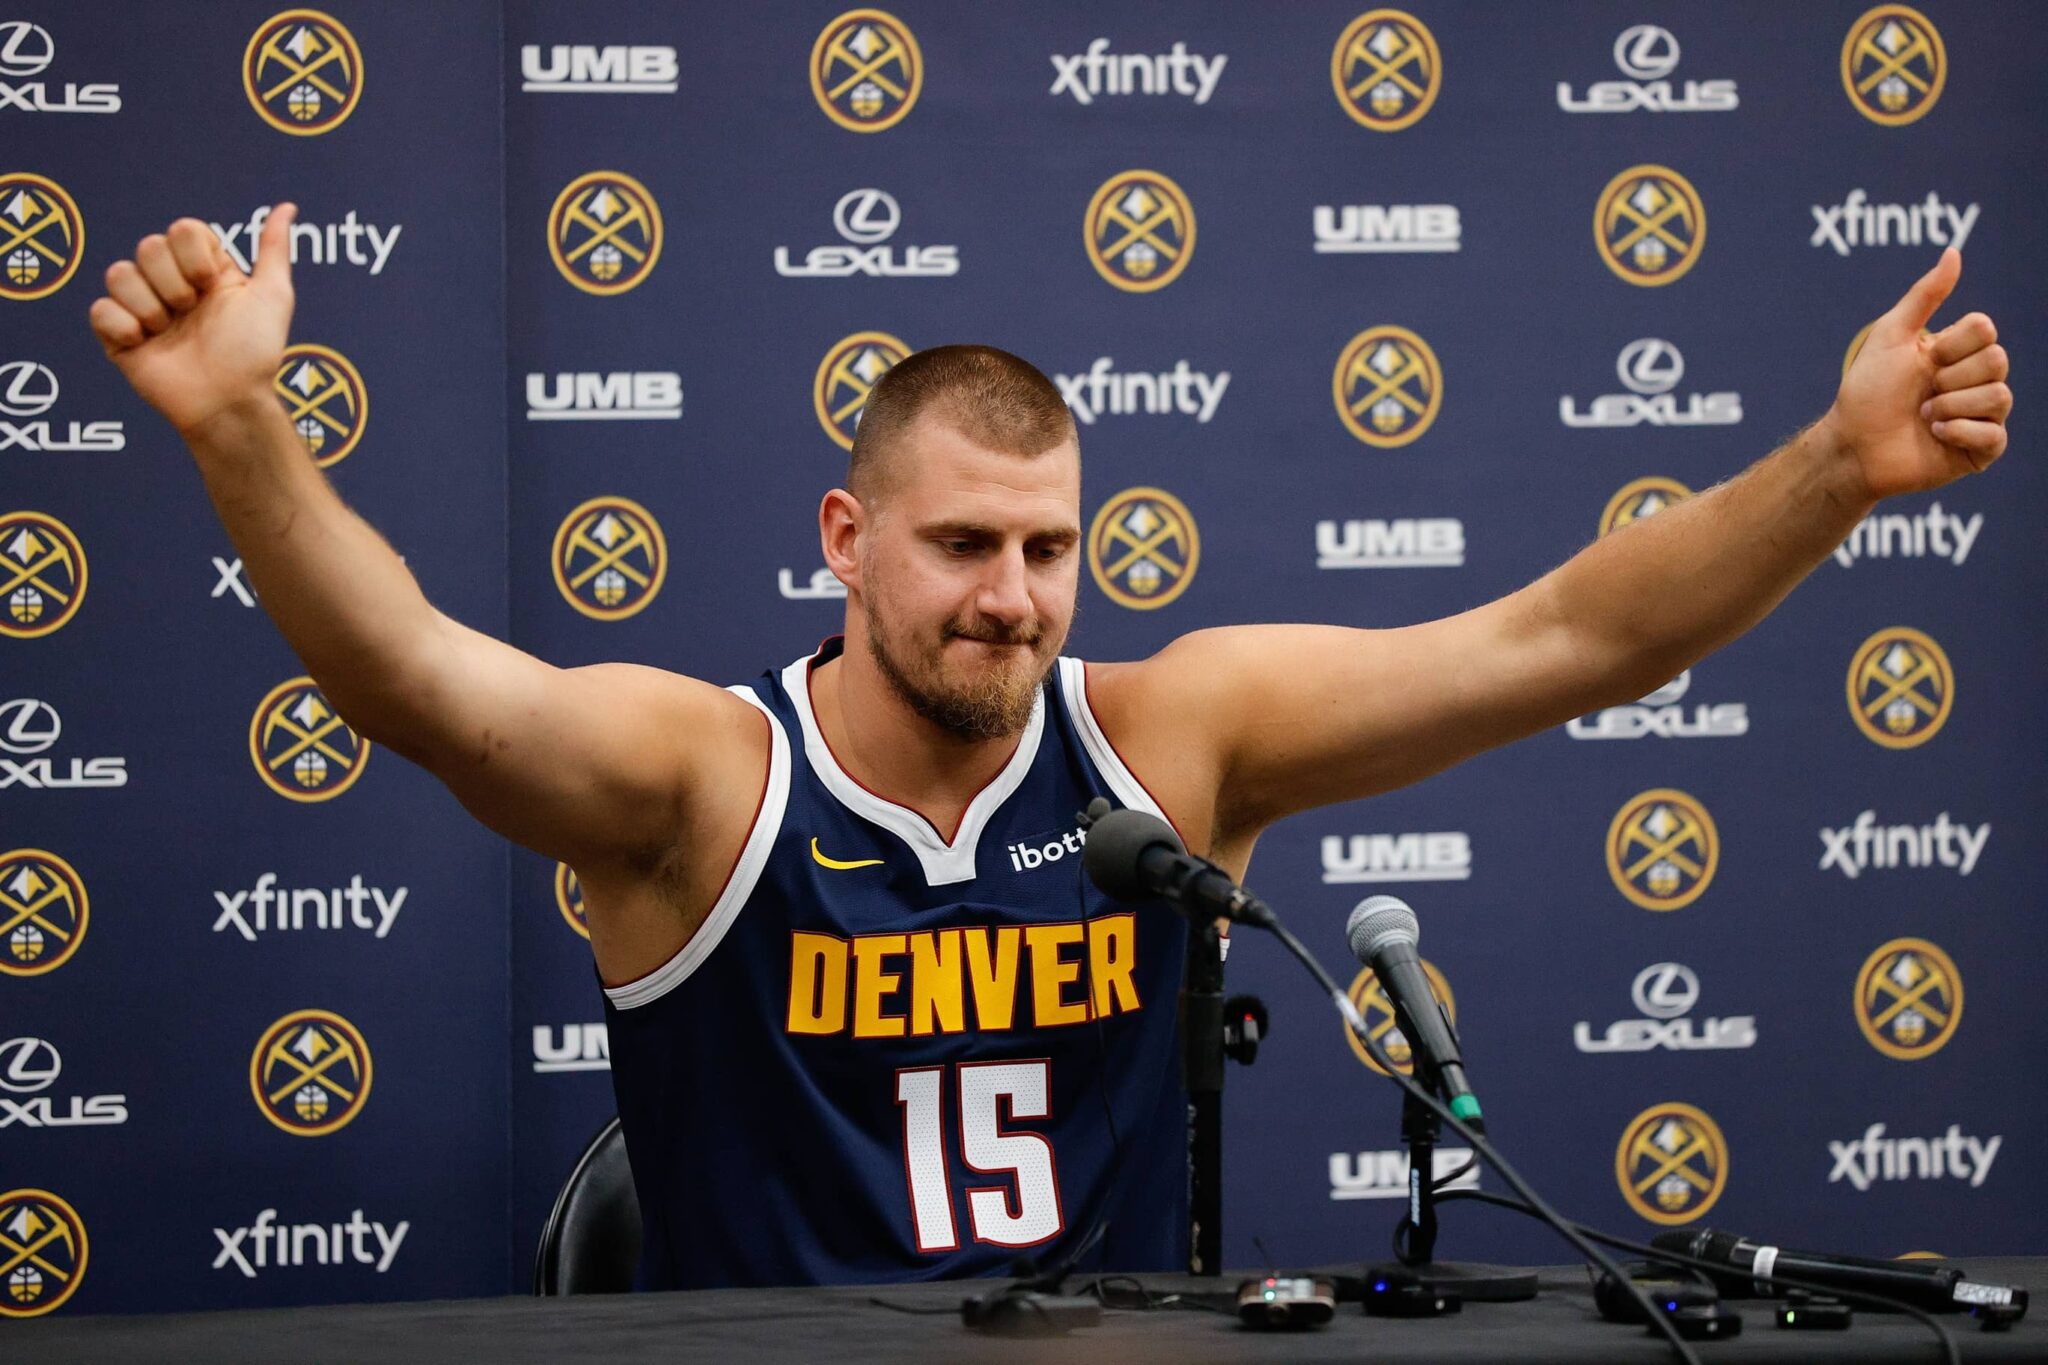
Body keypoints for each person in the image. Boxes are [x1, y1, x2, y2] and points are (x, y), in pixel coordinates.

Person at [89, 204, 2011, 1289]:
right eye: (959, 547)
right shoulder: (705, 783)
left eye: (1048, 547)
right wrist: (241, 429)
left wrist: (1843, 467)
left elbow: (1560, 638)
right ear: (847, 539)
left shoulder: (1172, 739)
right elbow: (416, 677)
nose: (1012, 597)